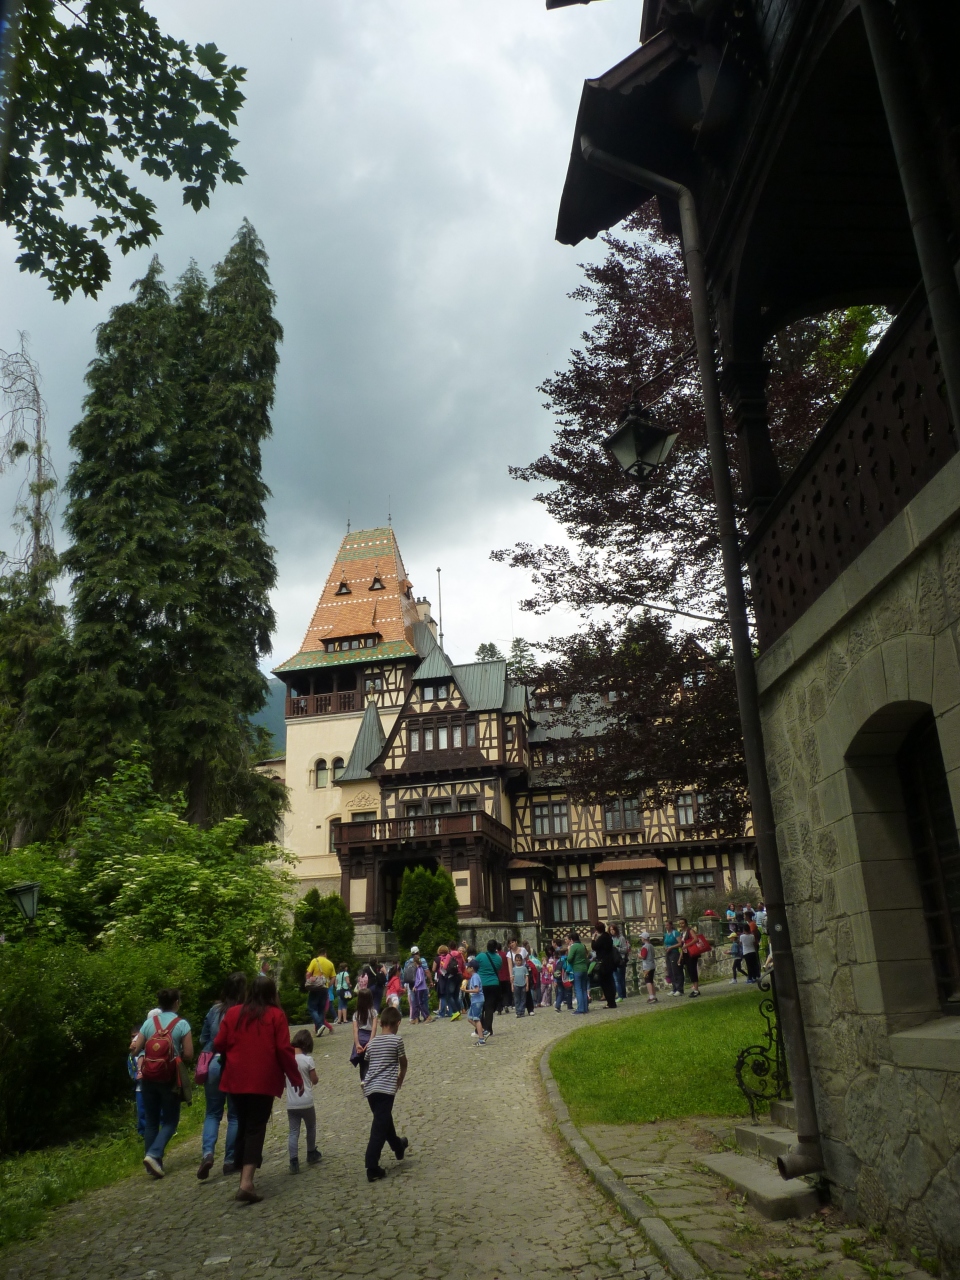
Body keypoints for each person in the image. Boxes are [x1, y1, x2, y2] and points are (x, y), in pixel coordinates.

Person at [214, 975, 303, 1203]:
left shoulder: (233, 1013)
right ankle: (246, 1183)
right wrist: (295, 1078)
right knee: (255, 1127)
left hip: (236, 1078)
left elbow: (218, 1043)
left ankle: (241, 1171)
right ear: (272, 993)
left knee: (243, 1123)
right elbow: (284, 1049)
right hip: (262, 1079)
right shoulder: (276, 1015)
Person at [132, 989, 193, 1179]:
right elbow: (189, 1054)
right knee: (170, 1121)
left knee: (151, 1122)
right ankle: (154, 1155)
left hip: (148, 1078)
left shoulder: (149, 1023)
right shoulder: (182, 1024)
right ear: (176, 1002)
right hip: (169, 1079)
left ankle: (152, 1163)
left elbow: (135, 1050)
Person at [196, 970, 246, 1180]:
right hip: (234, 1064)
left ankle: (207, 1153)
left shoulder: (214, 1010)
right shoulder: (244, 1011)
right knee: (234, 1115)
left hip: (213, 1064)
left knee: (212, 1113)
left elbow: (203, 1039)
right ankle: (230, 1160)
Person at [362, 1005, 409, 1181]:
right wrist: (401, 1076)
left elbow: (367, 1061)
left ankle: (398, 1146)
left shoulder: (372, 1042)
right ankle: (372, 1166)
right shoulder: (397, 1041)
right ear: (398, 1023)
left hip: (370, 1089)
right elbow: (403, 1061)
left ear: (381, 1023)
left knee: (384, 1121)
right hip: (386, 1089)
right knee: (378, 1129)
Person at [287, 1029, 321, 1173]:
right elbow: (314, 1080)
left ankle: (293, 1161)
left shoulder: (288, 1061)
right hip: (306, 1101)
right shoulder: (308, 1060)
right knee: (311, 1127)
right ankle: (311, 1152)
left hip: (291, 1103)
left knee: (293, 1131)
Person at [475, 938, 503, 1038]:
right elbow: (499, 968)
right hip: (494, 984)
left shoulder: (481, 956)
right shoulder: (499, 958)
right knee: (489, 1007)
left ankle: (480, 1028)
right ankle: (488, 1029)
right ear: (496, 948)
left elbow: (473, 965)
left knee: (480, 1007)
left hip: (482, 984)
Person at [305, 948, 336, 1036]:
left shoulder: (315, 961)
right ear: (325, 954)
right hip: (324, 988)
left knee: (311, 1008)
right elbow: (333, 977)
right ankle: (319, 1030)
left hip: (315, 988)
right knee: (321, 1010)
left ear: (319, 954)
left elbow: (308, 973)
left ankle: (319, 1025)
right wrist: (328, 985)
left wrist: (308, 982)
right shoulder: (330, 963)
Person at [352, 988, 379, 1080]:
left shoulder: (356, 1014)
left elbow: (355, 1029)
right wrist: (371, 1041)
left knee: (362, 1062)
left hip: (360, 1037)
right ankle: (370, 1080)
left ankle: (363, 1080)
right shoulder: (373, 1012)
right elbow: (374, 1028)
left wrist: (357, 1044)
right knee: (370, 1061)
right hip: (369, 1036)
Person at [592, 923, 619, 1009]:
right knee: (610, 982)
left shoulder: (602, 938)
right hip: (610, 962)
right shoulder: (608, 937)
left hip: (603, 963)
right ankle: (612, 1001)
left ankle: (610, 1002)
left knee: (605, 983)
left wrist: (593, 939)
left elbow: (594, 947)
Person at [677, 917, 702, 998]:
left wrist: (687, 945)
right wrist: (680, 958)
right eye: (680, 923)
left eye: (682, 923)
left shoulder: (689, 930)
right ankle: (695, 988)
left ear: (686, 923)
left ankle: (696, 989)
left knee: (692, 970)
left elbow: (695, 939)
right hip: (686, 953)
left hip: (691, 953)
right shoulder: (682, 933)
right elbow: (682, 946)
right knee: (689, 971)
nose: (681, 925)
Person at [566, 931, 590, 1014]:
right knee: (584, 989)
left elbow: (569, 959)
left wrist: (569, 950)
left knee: (578, 989)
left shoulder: (574, 947)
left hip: (577, 969)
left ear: (572, 939)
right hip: (584, 969)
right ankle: (585, 1007)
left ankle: (580, 1008)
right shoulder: (582, 946)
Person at [466, 958, 486, 1046]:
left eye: (468, 967)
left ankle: (481, 1039)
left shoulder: (475, 977)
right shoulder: (473, 977)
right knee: (470, 1018)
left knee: (476, 1019)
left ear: (472, 968)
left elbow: (476, 990)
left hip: (477, 1000)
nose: (467, 968)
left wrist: (466, 991)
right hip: (474, 1000)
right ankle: (483, 1031)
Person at [663, 920, 684, 996]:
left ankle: (679, 989)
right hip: (668, 953)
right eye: (665, 925)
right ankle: (674, 988)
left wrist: (671, 947)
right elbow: (666, 943)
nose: (666, 927)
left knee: (676, 971)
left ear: (671, 925)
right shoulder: (666, 934)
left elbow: (680, 943)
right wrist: (666, 948)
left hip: (675, 953)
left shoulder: (675, 933)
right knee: (670, 971)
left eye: (667, 925)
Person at [609, 924, 629, 1002]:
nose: (612, 931)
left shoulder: (621, 938)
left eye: (613, 929)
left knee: (621, 979)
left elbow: (625, 949)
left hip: (621, 960)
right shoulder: (610, 939)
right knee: (616, 979)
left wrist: (617, 948)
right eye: (610, 930)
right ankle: (620, 995)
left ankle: (622, 995)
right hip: (614, 960)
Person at [402, 947, 420, 1023]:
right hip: (418, 982)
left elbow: (404, 973)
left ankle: (414, 1017)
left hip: (411, 983)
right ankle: (419, 1016)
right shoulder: (419, 960)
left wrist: (404, 984)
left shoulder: (407, 962)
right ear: (418, 952)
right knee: (419, 999)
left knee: (413, 1000)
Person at [639, 931, 658, 1003]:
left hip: (647, 966)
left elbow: (643, 956)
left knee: (648, 981)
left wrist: (639, 955)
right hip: (652, 965)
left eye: (641, 937)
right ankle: (654, 995)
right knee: (651, 980)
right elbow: (653, 954)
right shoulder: (651, 946)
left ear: (644, 938)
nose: (641, 939)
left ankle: (651, 996)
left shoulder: (644, 947)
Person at [555, 945, 574, 1011]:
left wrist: (555, 980)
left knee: (560, 992)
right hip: (566, 978)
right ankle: (569, 1006)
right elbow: (568, 969)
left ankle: (557, 1005)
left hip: (559, 978)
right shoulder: (567, 959)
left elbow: (555, 970)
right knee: (569, 992)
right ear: (566, 952)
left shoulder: (558, 961)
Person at [511, 944, 529, 1017]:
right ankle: (518, 1012)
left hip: (523, 985)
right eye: (517, 960)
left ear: (521, 961)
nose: (518, 962)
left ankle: (522, 1011)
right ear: (515, 961)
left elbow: (526, 977)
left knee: (523, 999)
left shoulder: (524, 968)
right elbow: (512, 978)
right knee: (517, 999)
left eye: (519, 960)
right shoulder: (514, 969)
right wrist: (512, 986)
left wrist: (527, 985)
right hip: (516, 985)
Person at [414, 955, 432, 1023]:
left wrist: (415, 986)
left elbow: (420, 979)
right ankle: (427, 1016)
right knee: (420, 1003)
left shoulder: (419, 969)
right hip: (422, 987)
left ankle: (427, 1016)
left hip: (420, 988)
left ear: (415, 962)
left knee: (420, 1003)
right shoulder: (421, 968)